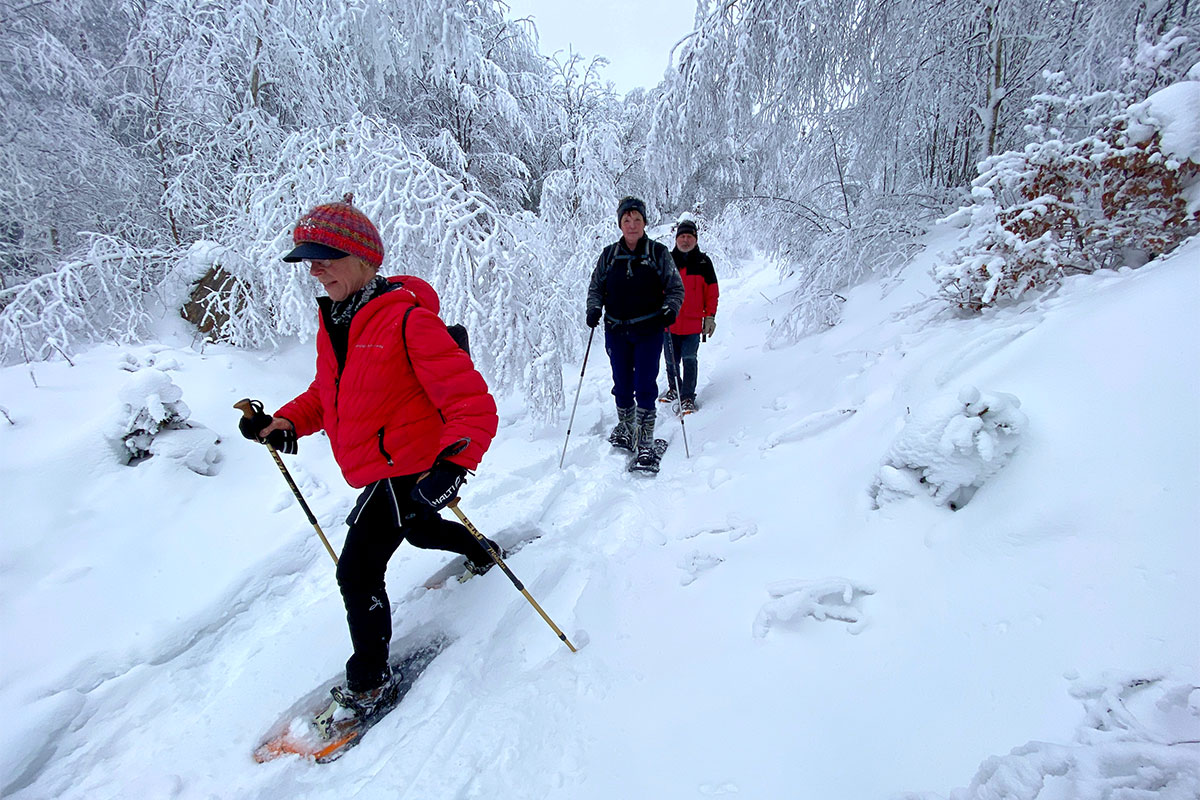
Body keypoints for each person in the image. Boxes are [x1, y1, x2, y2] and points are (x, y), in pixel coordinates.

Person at [239, 193, 499, 717]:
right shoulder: (337, 318)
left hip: (418, 463)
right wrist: (286, 422)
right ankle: (481, 551)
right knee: (421, 529)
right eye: (308, 260)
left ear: (362, 258)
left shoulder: (408, 322)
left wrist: (451, 467)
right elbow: (329, 391)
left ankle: (370, 680)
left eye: (324, 257)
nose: (314, 270)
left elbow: (471, 403)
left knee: (356, 571)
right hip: (384, 465)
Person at [585, 196, 684, 466]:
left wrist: (670, 309)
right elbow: (596, 287)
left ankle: (645, 440)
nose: (631, 225)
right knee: (622, 385)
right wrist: (593, 308)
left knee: (644, 385)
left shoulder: (658, 253)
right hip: (616, 331)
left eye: (636, 220)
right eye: (626, 220)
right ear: (620, 223)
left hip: (649, 330)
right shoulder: (609, 255)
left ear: (644, 222)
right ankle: (627, 429)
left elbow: (676, 288)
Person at [659, 218, 719, 414]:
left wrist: (710, 316)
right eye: (682, 236)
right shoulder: (667, 260)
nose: (685, 240)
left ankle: (687, 397)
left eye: (689, 236)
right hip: (669, 323)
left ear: (695, 239)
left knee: (689, 359)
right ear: (676, 239)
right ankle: (674, 389)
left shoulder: (703, 262)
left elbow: (712, 291)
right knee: (670, 360)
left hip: (693, 325)